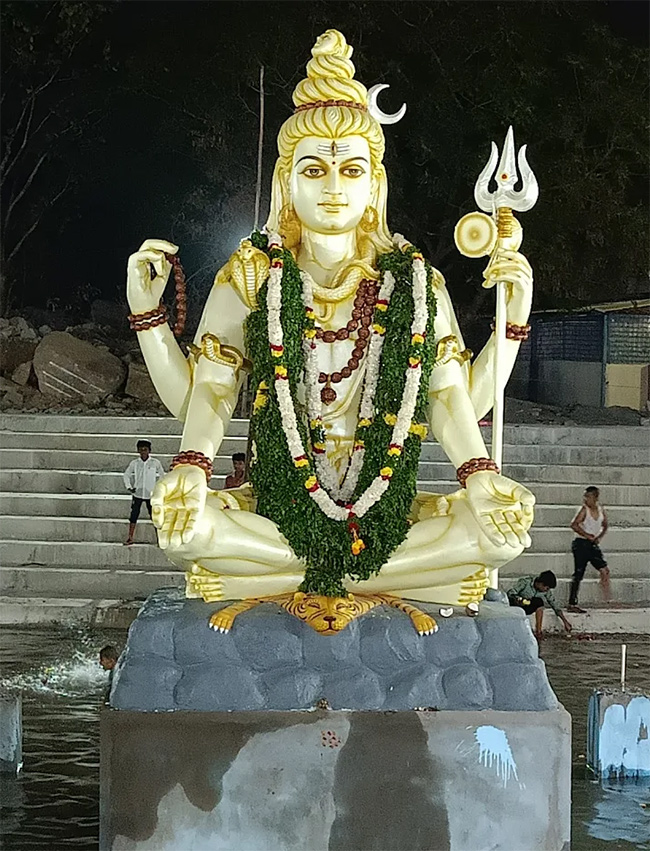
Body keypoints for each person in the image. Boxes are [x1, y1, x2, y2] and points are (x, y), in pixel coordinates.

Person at [126, 29, 536, 606]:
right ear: (286, 183)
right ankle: (407, 575)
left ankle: (269, 573)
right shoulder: (252, 275)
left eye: (351, 172)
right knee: (186, 528)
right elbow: (204, 396)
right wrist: (150, 323)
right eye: (314, 171)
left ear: (375, 186)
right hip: (282, 503)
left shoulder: (414, 282)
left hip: (384, 503)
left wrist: (481, 466)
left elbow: (450, 398)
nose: (334, 190)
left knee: (501, 536)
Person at [568, 486, 610, 613]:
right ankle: (572, 603)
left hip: (592, 544)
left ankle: (606, 598)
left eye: (588, 497)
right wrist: (587, 535)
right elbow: (574, 525)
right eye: (585, 496)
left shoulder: (601, 510)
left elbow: (605, 525)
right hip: (581, 544)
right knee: (578, 573)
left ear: (595, 497)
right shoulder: (584, 510)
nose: (586, 499)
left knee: (604, 570)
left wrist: (599, 537)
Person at [123, 440, 165, 545]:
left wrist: (157, 489)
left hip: (150, 494)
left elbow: (162, 476)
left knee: (154, 517)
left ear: (149, 450)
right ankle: (130, 537)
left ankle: (160, 539)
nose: (143, 452)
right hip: (138, 493)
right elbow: (126, 474)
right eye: (141, 450)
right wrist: (129, 487)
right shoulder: (135, 463)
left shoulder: (155, 463)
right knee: (133, 516)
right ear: (138, 450)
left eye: (145, 449)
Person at [507, 571, 572, 639]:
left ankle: (538, 631)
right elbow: (511, 592)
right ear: (541, 584)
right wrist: (518, 599)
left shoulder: (546, 592)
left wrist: (565, 621)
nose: (546, 590)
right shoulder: (525, 582)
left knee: (539, 602)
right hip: (516, 607)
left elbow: (554, 604)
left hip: (528, 607)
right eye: (547, 588)